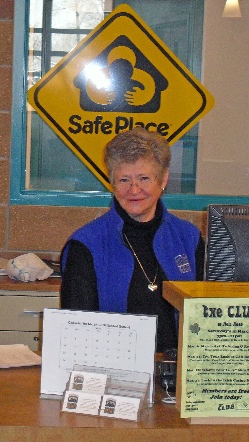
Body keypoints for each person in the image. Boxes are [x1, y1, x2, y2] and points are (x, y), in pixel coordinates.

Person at [60, 127, 204, 352]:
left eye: (144, 178)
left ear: (163, 179)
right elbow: (77, 333)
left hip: (178, 373)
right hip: (113, 372)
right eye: (124, 180)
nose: (134, 190)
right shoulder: (85, 244)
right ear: (112, 182)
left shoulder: (189, 238)